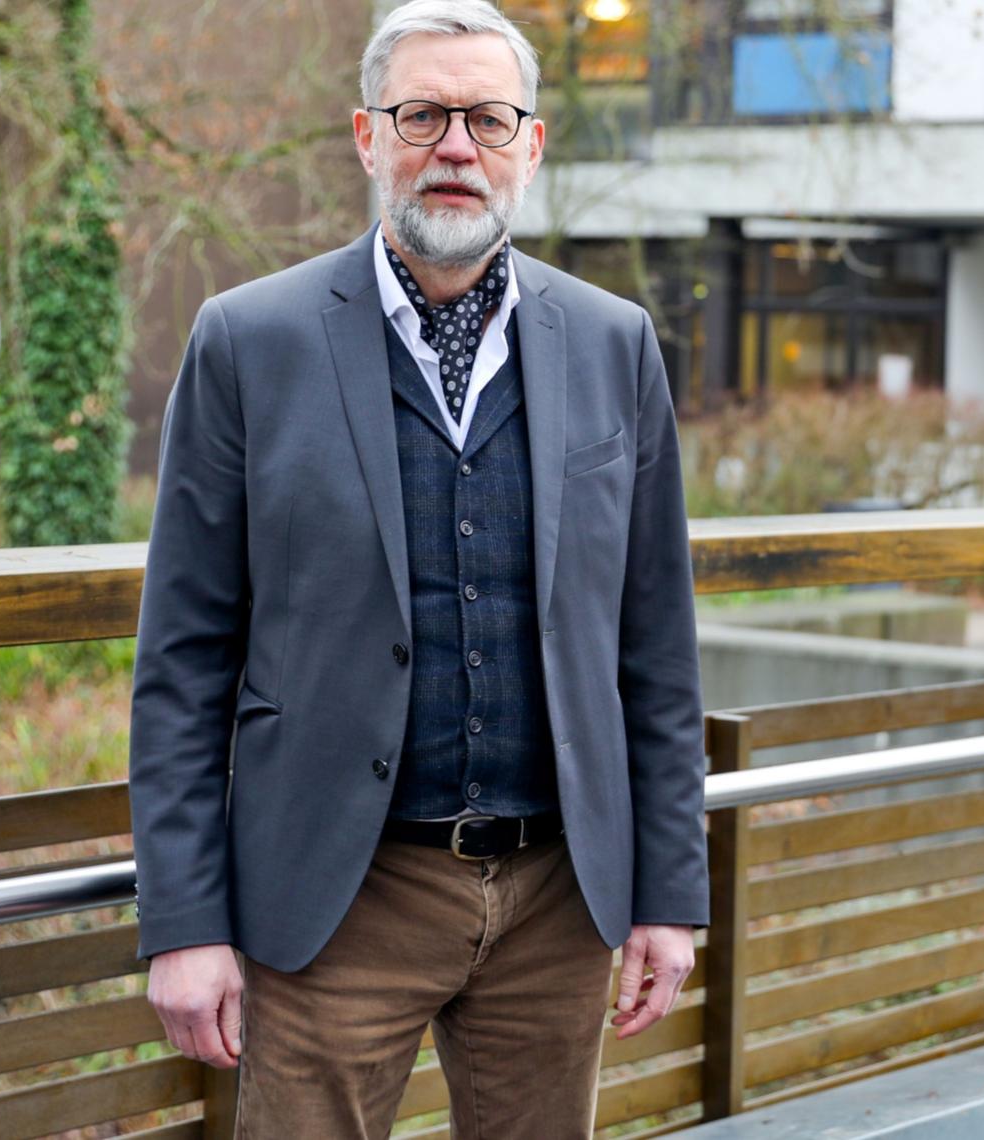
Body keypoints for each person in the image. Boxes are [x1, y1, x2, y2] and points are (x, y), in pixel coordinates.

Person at [126, 2, 707, 1135]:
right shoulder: (249, 341)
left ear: (530, 147)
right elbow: (182, 657)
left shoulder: (613, 341)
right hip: (341, 897)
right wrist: (184, 922)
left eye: (489, 120)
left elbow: (656, 649)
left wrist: (668, 896)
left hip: (558, 898)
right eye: (424, 114)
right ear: (366, 135)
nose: (455, 147)